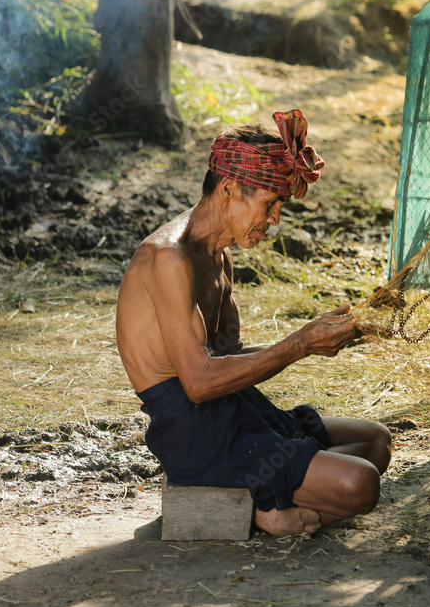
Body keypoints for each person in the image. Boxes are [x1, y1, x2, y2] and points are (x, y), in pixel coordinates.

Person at [115, 109, 392, 537]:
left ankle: (269, 500)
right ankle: (261, 512)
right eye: (269, 203)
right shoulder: (168, 259)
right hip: (195, 434)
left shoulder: (216, 254)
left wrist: (333, 336)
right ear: (229, 189)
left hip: (235, 410)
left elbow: (226, 359)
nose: (276, 219)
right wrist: (298, 345)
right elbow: (199, 383)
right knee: (361, 484)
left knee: (375, 441)